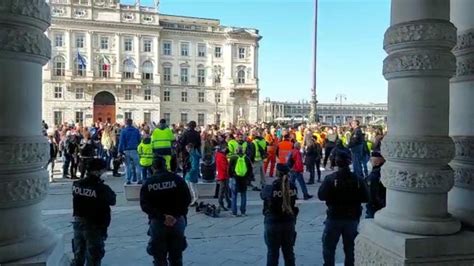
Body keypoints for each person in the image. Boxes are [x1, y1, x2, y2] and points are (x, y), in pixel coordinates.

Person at [318, 150, 369, 266]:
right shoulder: (357, 179)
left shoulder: (330, 179)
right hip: (352, 218)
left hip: (334, 217)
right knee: (350, 249)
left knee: (329, 248)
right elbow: (366, 197)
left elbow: (321, 196)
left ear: (336, 162)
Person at [140, 156, 192, 266]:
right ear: (165, 166)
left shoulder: (149, 183)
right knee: (176, 257)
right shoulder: (177, 179)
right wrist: (175, 215)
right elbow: (187, 199)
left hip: (158, 222)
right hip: (177, 220)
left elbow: (145, 205)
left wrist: (163, 217)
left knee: (159, 258)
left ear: (153, 167)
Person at [71, 158, 116, 266]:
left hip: (78, 223)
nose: (104, 173)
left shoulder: (77, 184)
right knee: (94, 257)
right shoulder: (101, 188)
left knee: (78, 255)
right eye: (103, 170)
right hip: (94, 226)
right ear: (96, 171)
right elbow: (112, 200)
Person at [261, 163, 299, 266]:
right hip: (288, 222)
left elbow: (263, 197)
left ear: (277, 173)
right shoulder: (293, 187)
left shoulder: (270, 187)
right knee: (289, 253)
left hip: (273, 222)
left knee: (272, 253)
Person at [228, 147, 253, 217]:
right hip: (244, 179)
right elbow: (250, 169)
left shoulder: (233, 158)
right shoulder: (246, 158)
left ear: (236, 151)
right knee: (243, 195)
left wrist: (230, 176)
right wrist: (248, 178)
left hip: (235, 178)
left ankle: (234, 212)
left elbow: (229, 168)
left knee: (234, 196)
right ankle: (243, 212)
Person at [119, 119, 142, 184]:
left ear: (126, 123)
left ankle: (128, 180)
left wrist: (120, 151)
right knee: (137, 165)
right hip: (135, 149)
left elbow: (121, 142)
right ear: (132, 123)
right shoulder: (136, 130)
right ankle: (139, 179)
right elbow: (139, 140)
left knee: (127, 166)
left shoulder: (123, 131)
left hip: (126, 150)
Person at [365, 152, 386, 218]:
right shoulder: (382, 171)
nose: (370, 161)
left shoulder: (375, 175)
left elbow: (372, 193)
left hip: (375, 207)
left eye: (372, 160)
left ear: (378, 161)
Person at [215, 144, 232, 211]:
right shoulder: (221, 156)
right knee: (223, 190)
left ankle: (228, 202)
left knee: (225, 189)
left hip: (222, 174)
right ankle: (221, 203)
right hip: (223, 175)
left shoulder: (219, 155)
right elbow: (224, 167)